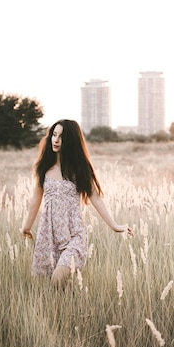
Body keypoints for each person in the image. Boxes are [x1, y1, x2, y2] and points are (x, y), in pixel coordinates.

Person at [21, 119, 133, 287]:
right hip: (49, 235)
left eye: (61, 137)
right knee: (54, 286)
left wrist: (115, 226)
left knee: (57, 280)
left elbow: (95, 198)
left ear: (71, 141)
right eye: (54, 135)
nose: (56, 140)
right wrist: (26, 227)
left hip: (74, 235)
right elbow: (35, 200)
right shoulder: (44, 168)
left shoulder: (78, 169)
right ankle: (63, 311)